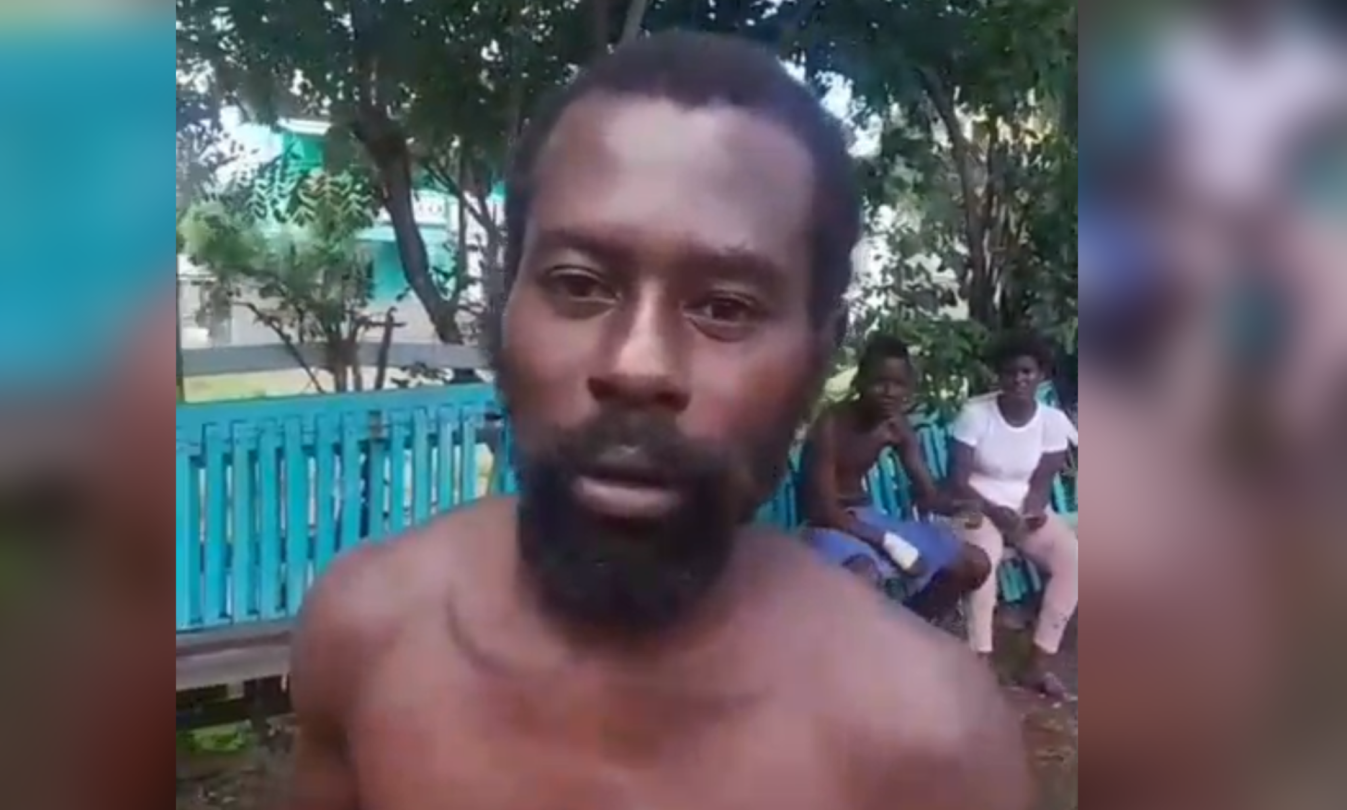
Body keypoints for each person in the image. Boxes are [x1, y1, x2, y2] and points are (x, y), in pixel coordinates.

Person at [286, 32, 1030, 810]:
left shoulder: (930, 744)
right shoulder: (367, 636)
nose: (637, 366)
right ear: (506, 305)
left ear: (819, 354)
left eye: (725, 307)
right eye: (579, 284)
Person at [800, 334, 991, 621]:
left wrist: (958, 507)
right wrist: (888, 542)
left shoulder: (895, 427)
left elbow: (928, 494)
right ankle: (869, 641)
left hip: (868, 518)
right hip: (828, 525)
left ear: (908, 388)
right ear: (860, 381)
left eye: (898, 384)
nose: (889, 392)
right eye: (880, 382)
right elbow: (824, 510)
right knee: (862, 577)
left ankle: (912, 624)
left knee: (975, 563)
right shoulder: (831, 424)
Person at [949, 331, 1080, 699]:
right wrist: (995, 512)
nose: (1019, 379)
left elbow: (1042, 479)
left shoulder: (1052, 421)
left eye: (1027, 372)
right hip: (976, 505)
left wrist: (1034, 508)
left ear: (1041, 375)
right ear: (999, 375)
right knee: (984, 560)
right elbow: (957, 480)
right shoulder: (976, 415)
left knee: (1073, 561)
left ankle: (1037, 665)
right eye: (1010, 372)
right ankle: (980, 662)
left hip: (1022, 511)